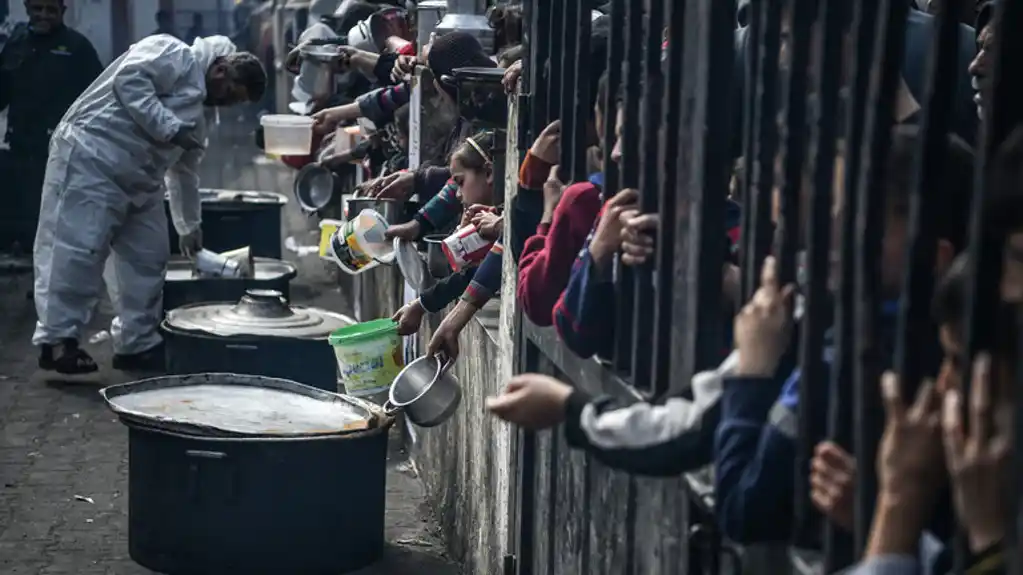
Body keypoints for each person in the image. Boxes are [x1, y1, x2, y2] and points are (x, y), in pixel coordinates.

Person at [32, 34, 266, 374]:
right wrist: (170, 128)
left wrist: (189, 227)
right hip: (91, 157)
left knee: (147, 259)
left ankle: (136, 343)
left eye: (234, 102)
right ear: (220, 70)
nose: (226, 104)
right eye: (230, 93)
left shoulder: (196, 119)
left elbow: (184, 174)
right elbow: (130, 81)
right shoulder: (173, 54)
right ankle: (56, 341)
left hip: (139, 181)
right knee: (76, 250)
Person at [0, 0, 102, 253]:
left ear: (62, 12)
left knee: (55, 220)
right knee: (21, 217)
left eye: (50, 10)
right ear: (26, 8)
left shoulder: (78, 48)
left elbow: (99, 101)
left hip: (62, 151)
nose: (43, 16)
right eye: (37, 9)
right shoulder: (15, 44)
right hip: (20, 147)